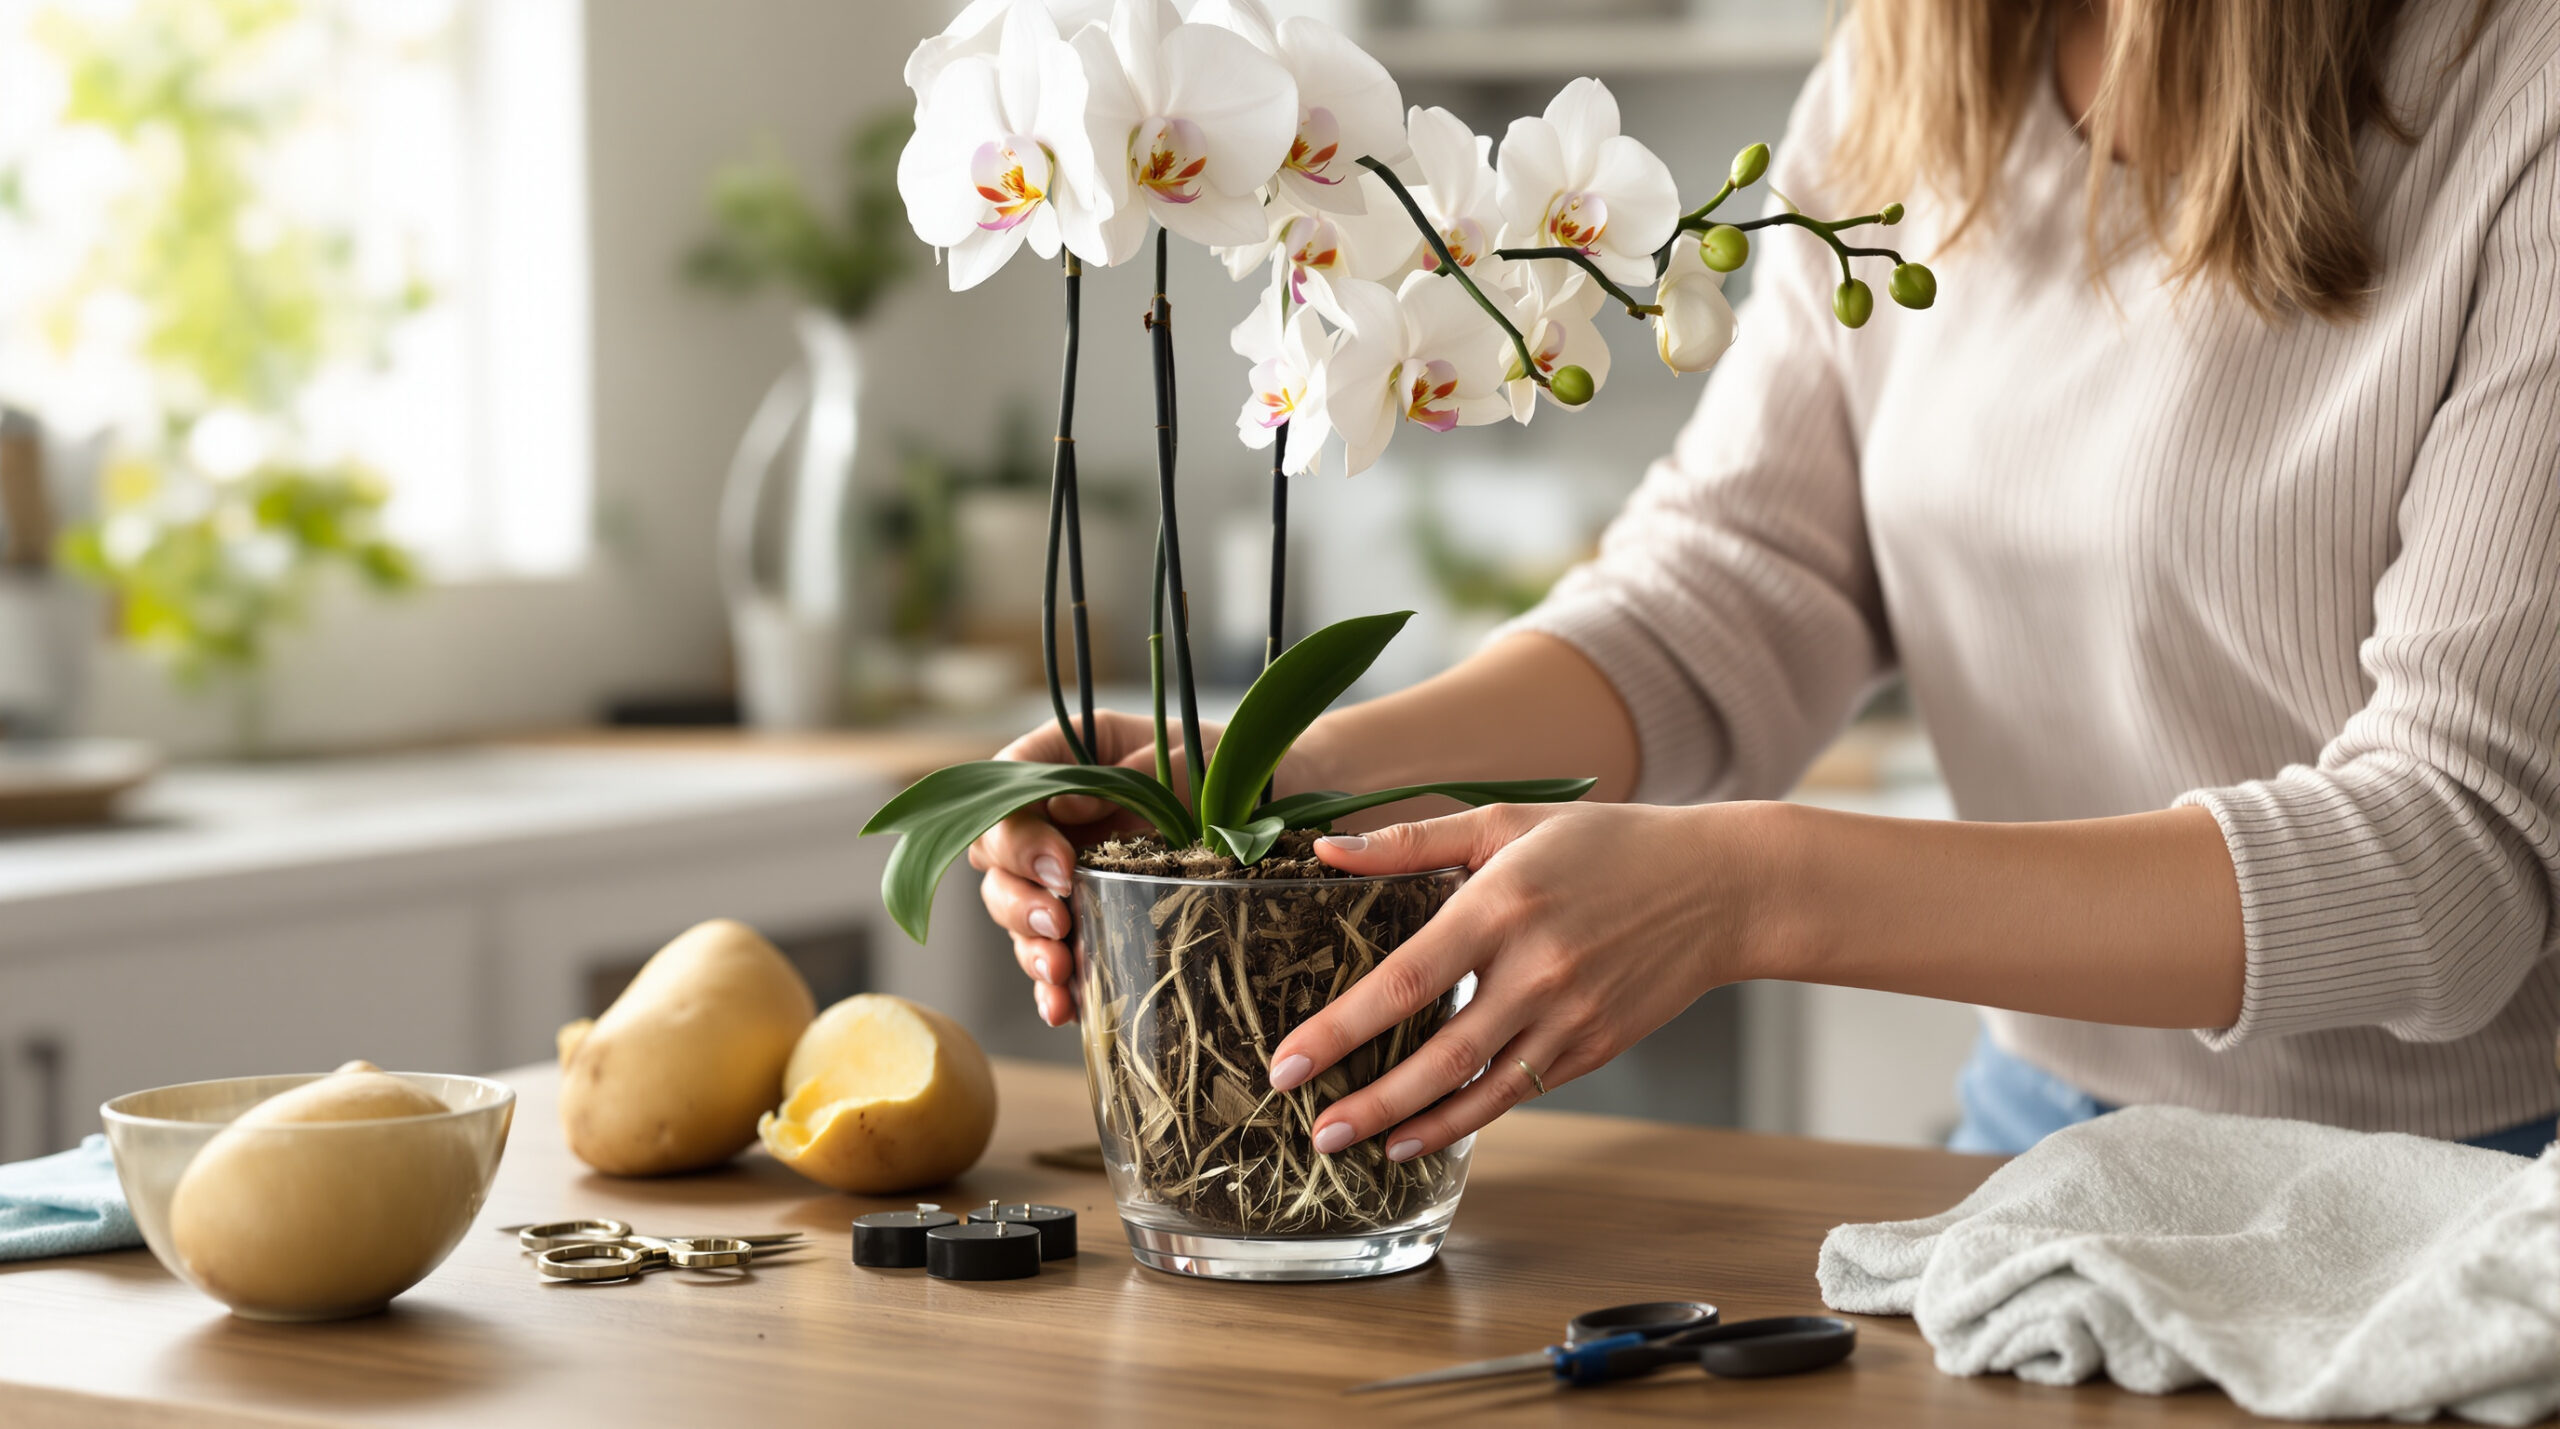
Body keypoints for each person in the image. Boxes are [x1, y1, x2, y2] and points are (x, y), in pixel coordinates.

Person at [970, 0, 2560, 1163]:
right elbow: (1731, 588)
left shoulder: (2519, 90)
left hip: (2462, 1198)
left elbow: (2457, 861)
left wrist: (1748, 888)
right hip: (2046, 1148)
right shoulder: (1914, 67)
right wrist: (1295, 780)